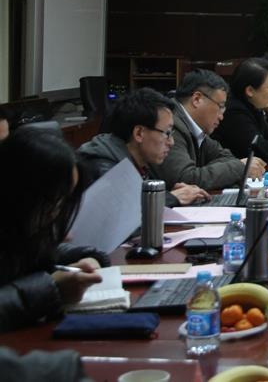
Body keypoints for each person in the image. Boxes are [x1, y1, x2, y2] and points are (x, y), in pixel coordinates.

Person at [0, 129, 108, 332]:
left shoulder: (21, 229)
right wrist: (52, 289)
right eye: (53, 200)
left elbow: (35, 253)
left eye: (63, 202)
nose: (55, 213)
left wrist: (87, 256)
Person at [77, 88, 209, 206]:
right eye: (167, 133)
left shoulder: (137, 162)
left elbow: (136, 197)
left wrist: (167, 194)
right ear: (139, 133)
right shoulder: (103, 168)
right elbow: (124, 211)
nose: (171, 142)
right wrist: (171, 198)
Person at [153, 70, 266, 193]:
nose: (221, 116)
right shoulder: (170, 126)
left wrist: (205, 172)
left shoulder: (197, 129)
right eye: (220, 106)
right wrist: (240, 167)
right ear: (197, 99)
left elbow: (226, 157)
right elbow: (185, 179)